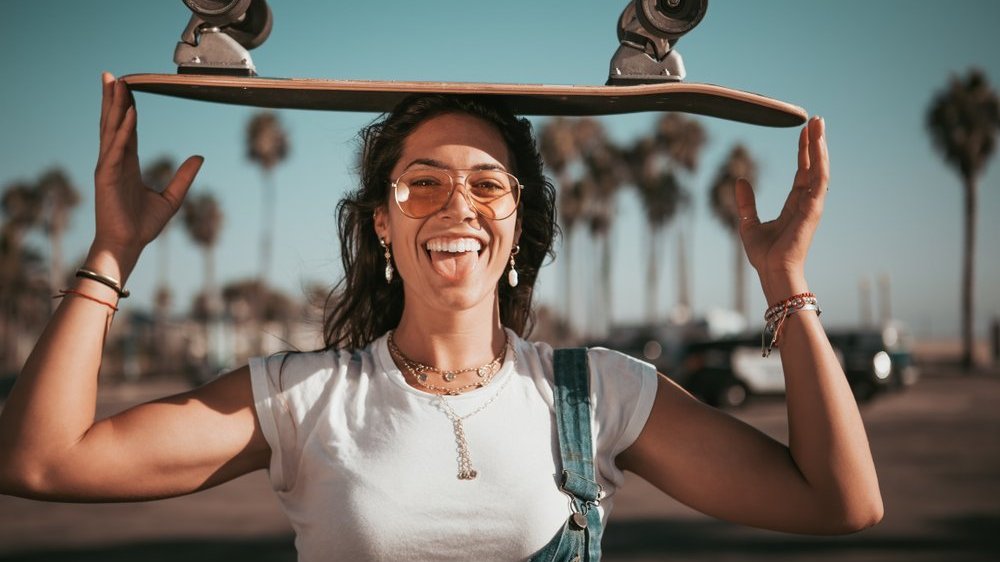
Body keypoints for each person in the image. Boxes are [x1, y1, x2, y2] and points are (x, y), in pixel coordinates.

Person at [0, 73, 883, 560]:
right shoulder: (302, 400)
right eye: (422, 182)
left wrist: (784, 280)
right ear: (383, 223)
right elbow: (39, 462)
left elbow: (840, 501)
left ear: (518, 222)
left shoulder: (601, 392)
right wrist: (113, 254)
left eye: (487, 185)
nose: (456, 205)